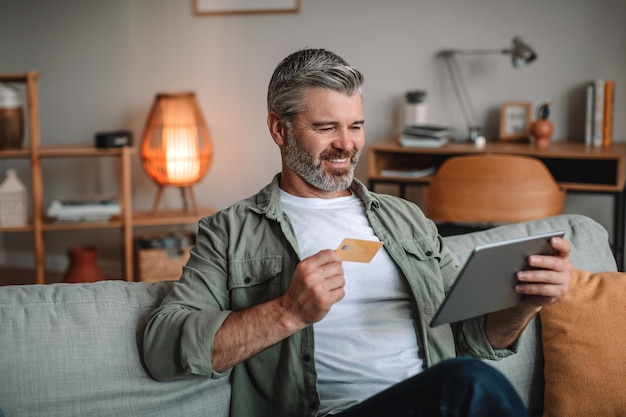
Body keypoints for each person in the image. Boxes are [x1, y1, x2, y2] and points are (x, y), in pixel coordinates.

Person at [143, 48, 572, 417]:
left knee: (464, 380)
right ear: (279, 129)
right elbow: (163, 346)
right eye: (326, 127)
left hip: (428, 402)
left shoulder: (407, 220)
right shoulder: (230, 231)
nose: (346, 144)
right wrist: (288, 312)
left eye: (356, 125)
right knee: (468, 383)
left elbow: (472, 338)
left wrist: (525, 305)